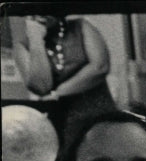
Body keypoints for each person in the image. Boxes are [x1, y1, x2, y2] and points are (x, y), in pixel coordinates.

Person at [9, 15, 116, 147]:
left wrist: (59, 93)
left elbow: (100, 67)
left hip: (98, 117)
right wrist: (36, 40)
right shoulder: (23, 46)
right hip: (61, 124)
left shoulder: (81, 26)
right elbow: (42, 86)